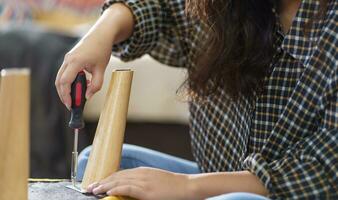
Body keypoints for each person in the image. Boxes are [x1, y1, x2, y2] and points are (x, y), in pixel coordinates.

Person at [55, 0, 337, 199]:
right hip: (213, 179)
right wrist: (103, 31)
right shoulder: (228, 7)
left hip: (285, 192)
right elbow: (163, 8)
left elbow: (325, 173)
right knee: (95, 166)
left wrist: (186, 186)